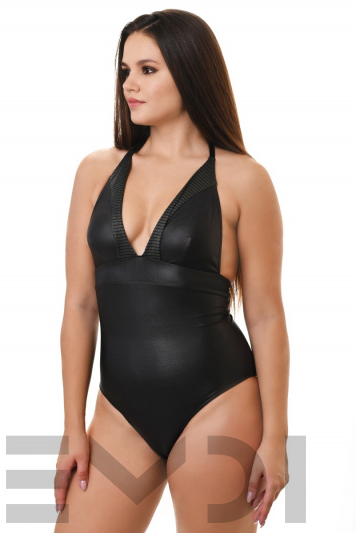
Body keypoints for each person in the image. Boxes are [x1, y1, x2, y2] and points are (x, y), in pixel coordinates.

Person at [54, 8, 289, 532]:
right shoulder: (96, 171)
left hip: (218, 400)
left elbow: (266, 315)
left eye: (147, 69)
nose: (129, 85)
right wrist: (72, 427)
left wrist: (276, 438)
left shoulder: (244, 179)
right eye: (125, 71)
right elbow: (80, 304)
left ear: (190, 71)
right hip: (119, 410)